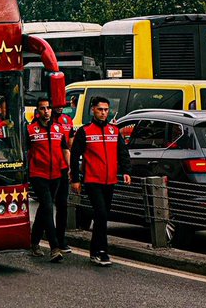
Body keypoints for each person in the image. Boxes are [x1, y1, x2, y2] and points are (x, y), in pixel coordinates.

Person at [70, 95, 131, 266]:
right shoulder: (85, 131)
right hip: (92, 180)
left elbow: (123, 152)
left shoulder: (114, 131)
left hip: (110, 180)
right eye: (100, 110)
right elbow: (74, 156)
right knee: (101, 214)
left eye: (106, 110)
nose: (103, 113)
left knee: (102, 217)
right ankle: (101, 251)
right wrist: (75, 179)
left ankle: (95, 251)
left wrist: (126, 171)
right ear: (93, 110)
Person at [26, 96, 69, 262]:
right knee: (48, 208)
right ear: (37, 111)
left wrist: (70, 169)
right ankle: (54, 248)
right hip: (38, 175)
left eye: (48, 108)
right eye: (42, 108)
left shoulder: (59, 129)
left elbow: (65, 149)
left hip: (56, 175)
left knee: (44, 209)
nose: (46, 111)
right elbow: (26, 152)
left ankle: (34, 243)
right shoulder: (30, 130)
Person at [51, 103, 74, 253]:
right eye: (57, 104)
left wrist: (71, 167)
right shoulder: (41, 121)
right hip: (46, 170)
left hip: (63, 169)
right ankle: (36, 239)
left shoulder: (67, 121)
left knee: (62, 205)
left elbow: (70, 144)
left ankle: (61, 239)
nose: (60, 107)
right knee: (46, 207)